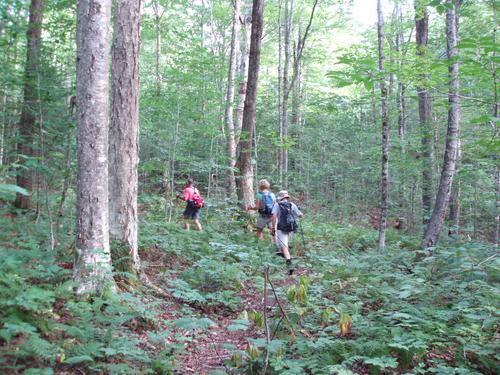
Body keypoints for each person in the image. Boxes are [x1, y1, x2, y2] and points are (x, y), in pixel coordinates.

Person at [271, 190, 304, 272]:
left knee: (284, 246)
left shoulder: (277, 205)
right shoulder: (292, 205)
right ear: (287, 197)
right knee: (285, 244)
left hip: (281, 228)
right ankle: (286, 257)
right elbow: (300, 215)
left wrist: (273, 228)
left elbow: (274, 216)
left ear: (280, 198)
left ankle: (289, 265)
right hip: (291, 227)